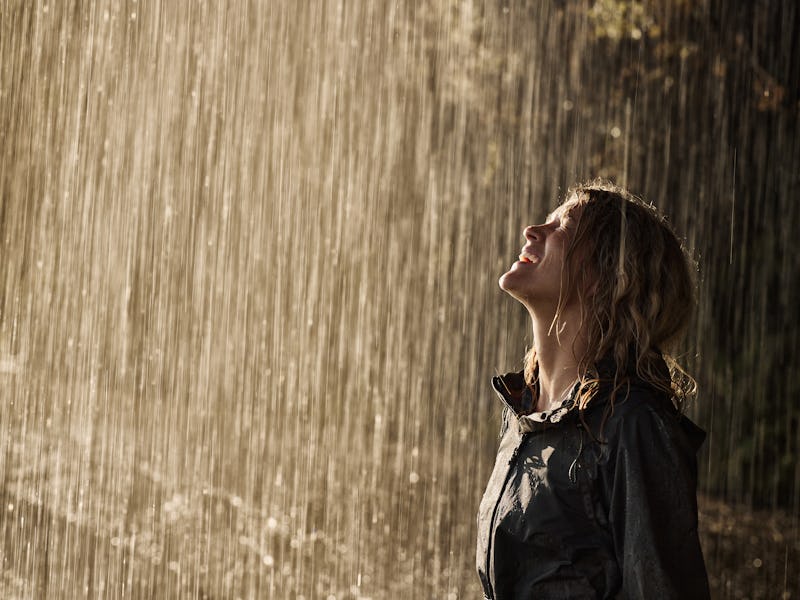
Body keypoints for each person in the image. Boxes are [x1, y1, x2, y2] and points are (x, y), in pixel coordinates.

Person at [476, 181, 711, 599]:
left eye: (561, 228)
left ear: (607, 275)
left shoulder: (633, 426)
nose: (532, 231)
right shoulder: (526, 413)